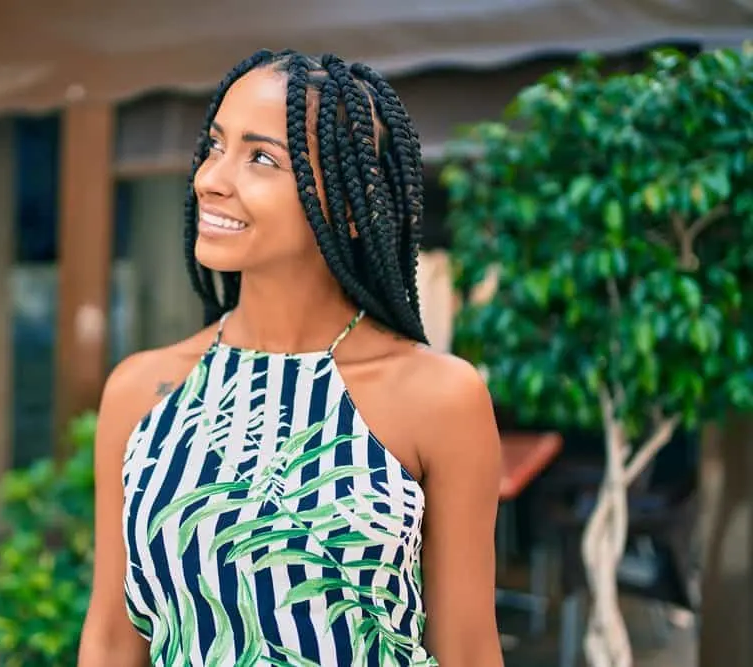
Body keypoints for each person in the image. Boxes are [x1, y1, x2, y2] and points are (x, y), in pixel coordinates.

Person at [78, 49, 503, 667]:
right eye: (214, 146)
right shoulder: (143, 391)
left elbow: (466, 650)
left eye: (260, 157)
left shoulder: (438, 397)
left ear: (352, 207)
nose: (210, 178)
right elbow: (113, 641)